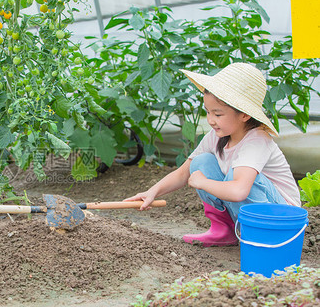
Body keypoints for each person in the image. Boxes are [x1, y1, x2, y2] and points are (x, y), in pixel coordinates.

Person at [125, 62, 300, 247]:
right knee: (201, 162)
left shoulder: (257, 140)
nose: (210, 120)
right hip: (252, 212)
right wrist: (152, 192)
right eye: (207, 112)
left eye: (218, 114)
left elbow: (239, 190)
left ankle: (262, 237)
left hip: (282, 219)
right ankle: (224, 230)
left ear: (245, 115)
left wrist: (202, 182)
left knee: (237, 176)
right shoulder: (218, 136)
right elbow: (183, 172)